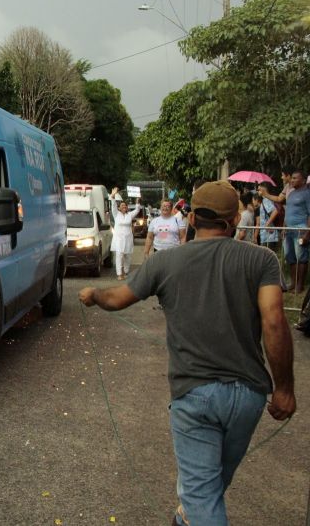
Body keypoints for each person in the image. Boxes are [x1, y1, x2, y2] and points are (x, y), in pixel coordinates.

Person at [79, 180, 295, 525]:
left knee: (202, 496)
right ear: (235, 219)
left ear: (191, 219)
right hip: (250, 396)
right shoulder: (262, 260)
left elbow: (118, 298)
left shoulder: (166, 262)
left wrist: (93, 294)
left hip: (195, 395)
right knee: (207, 490)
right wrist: (284, 389)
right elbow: (274, 322)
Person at [283, 169, 310, 293]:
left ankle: (300, 285)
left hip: (301, 230)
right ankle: (293, 283)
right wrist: (284, 227)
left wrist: (307, 234)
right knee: (290, 257)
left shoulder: (307, 193)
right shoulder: (292, 193)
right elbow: (287, 211)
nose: (292, 180)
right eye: (292, 178)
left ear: (303, 180)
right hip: (288, 230)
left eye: (295, 178)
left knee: (301, 258)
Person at [109, 187, 141, 280]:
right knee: (119, 255)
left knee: (127, 255)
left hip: (128, 238)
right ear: (119, 207)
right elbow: (113, 205)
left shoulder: (129, 215)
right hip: (118, 238)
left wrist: (137, 201)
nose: (124, 207)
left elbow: (137, 210)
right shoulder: (116, 214)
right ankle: (119, 274)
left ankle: (126, 272)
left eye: (125, 206)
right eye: (122, 206)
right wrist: (113, 195)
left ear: (127, 208)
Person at [256, 184, 281, 253]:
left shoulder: (266, 200)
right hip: (267, 235)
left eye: (259, 189)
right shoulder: (266, 200)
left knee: (267, 259)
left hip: (268, 236)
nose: (258, 191)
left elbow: (275, 211)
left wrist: (267, 224)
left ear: (264, 189)